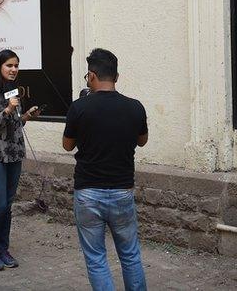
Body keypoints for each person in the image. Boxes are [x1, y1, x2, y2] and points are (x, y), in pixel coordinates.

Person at [63, 48, 148, 291]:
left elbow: (67, 145)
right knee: (130, 255)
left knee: (96, 259)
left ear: (91, 76)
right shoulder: (135, 107)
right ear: (116, 77)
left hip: (88, 193)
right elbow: (142, 140)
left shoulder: (79, 108)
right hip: (122, 191)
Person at [0, 49, 42, 271]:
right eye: (9, 66)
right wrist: (9, 109)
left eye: (16, 66)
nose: (14, 70)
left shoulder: (11, 90)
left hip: (13, 155)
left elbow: (13, 124)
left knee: (8, 206)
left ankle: (3, 249)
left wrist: (25, 116)